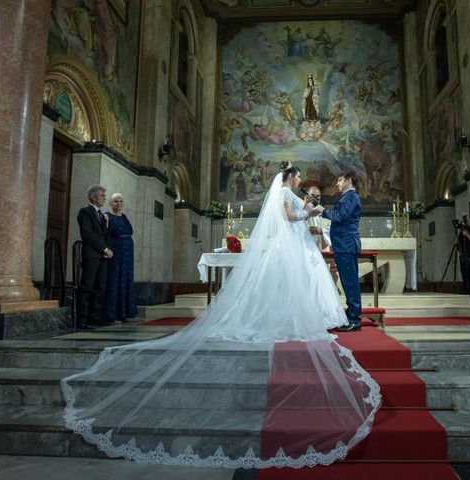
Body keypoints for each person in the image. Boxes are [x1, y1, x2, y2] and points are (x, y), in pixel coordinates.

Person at [62, 162, 381, 469]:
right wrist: (310, 211)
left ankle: (319, 316)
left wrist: (310, 209)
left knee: (300, 285)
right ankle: (301, 318)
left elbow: (302, 213)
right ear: (290, 177)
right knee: (293, 285)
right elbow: (289, 215)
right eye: (297, 177)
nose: (300, 181)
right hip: (294, 243)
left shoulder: (304, 194)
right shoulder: (285, 195)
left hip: (308, 243)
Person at [319, 172, 363, 332]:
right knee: (347, 282)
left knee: (350, 283)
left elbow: (340, 216)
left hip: (346, 245)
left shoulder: (351, 196)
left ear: (349, 181)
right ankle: (352, 315)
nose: (337, 183)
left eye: (340, 180)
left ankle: (355, 320)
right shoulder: (347, 197)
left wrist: (322, 210)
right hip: (343, 245)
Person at [76, 185, 113, 329]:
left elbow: (106, 235)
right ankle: (82, 319)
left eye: (104, 195)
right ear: (93, 197)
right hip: (91, 255)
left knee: (100, 287)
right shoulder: (85, 212)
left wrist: (109, 249)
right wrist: (104, 248)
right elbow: (87, 234)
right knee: (87, 287)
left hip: (103, 257)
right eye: (102, 195)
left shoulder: (102, 215)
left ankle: (95, 317)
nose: (104, 198)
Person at [104, 193, 138, 324]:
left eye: (121, 201)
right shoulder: (107, 217)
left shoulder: (124, 217)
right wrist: (107, 250)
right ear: (110, 203)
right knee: (115, 280)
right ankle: (113, 314)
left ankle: (125, 312)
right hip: (116, 253)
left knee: (126, 280)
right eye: (115, 201)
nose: (118, 203)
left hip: (128, 255)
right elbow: (104, 235)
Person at [306, 186, 331, 251]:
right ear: (308, 196)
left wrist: (321, 230)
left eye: (318, 196)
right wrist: (307, 230)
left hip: (321, 246)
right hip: (306, 245)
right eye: (312, 195)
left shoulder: (323, 211)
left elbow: (331, 228)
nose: (315, 198)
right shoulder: (303, 209)